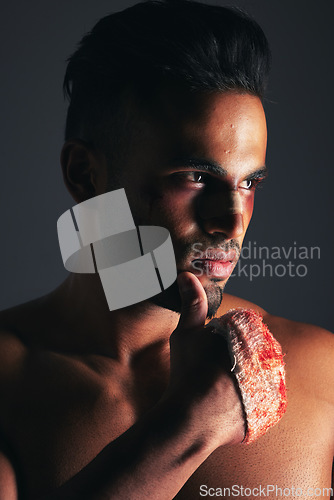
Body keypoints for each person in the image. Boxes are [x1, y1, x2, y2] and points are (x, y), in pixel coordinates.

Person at [0, 1, 333, 498]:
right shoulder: (9, 387)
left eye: (249, 182)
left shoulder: (321, 372)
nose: (232, 220)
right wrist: (187, 428)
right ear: (85, 175)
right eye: (195, 178)